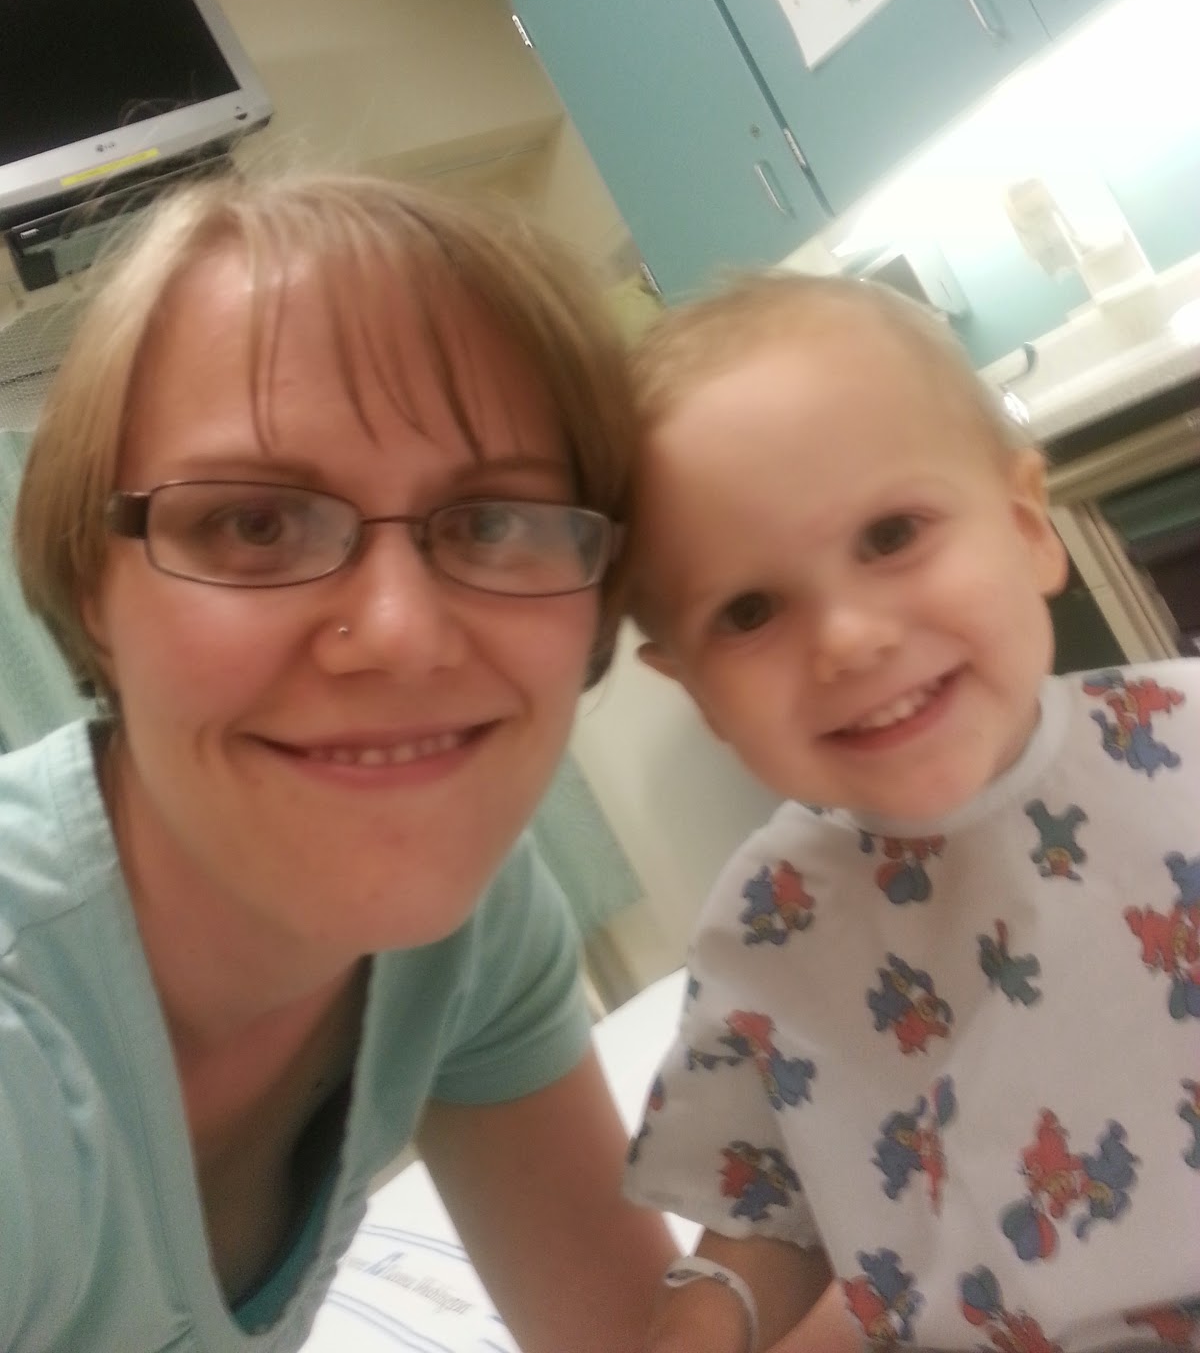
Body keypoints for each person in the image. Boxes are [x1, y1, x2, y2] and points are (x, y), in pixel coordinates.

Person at [0, 171, 675, 1351]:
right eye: (254, 523)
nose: (403, 632)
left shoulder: (477, 929)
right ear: (93, 590)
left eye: (493, 521)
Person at [620, 273, 1200, 1352]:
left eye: (891, 535)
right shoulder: (769, 923)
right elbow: (768, 1207)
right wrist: (701, 1319)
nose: (848, 638)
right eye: (749, 610)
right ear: (694, 688)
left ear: (1028, 528)